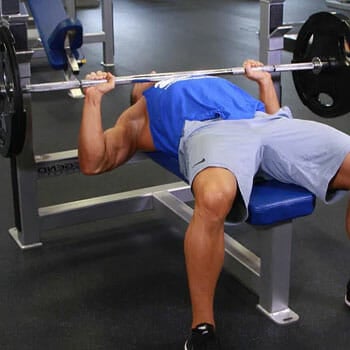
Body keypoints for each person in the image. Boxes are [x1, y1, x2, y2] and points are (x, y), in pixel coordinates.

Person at [78, 60, 350, 350]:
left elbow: (274, 115)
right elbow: (94, 161)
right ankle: (202, 327)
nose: (152, 74)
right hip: (209, 133)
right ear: (136, 92)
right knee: (214, 197)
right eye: (143, 78)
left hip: (266, 124)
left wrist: (264, 83)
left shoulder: (198, 77)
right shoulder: (138, 115)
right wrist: (93, 101)